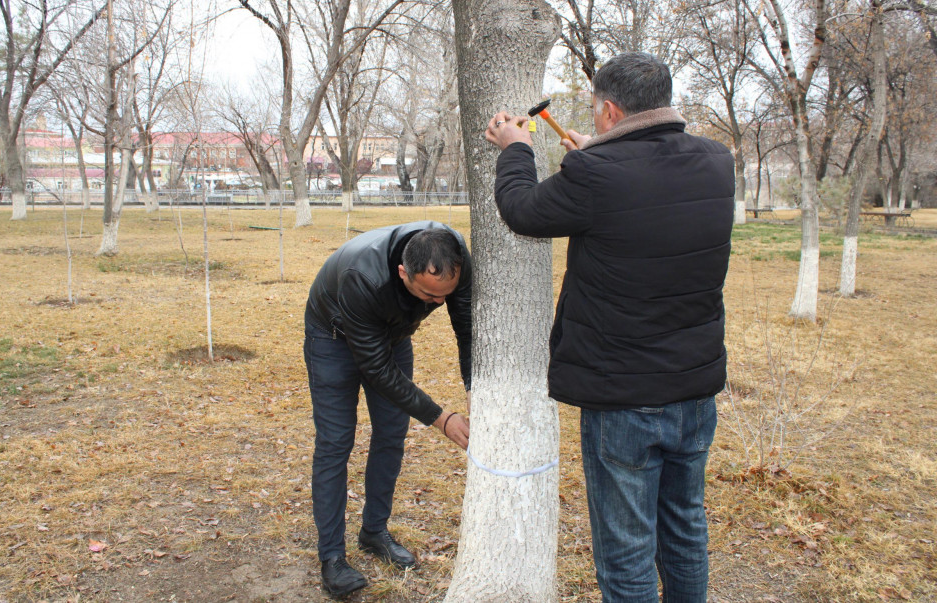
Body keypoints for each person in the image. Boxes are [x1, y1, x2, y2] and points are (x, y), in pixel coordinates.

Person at [485, 52, 734, 602]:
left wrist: (518, 149)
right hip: (693, 391)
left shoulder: (596, 175)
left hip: (623, 398)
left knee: (626, 555)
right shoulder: (717, 161)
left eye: (598, 111)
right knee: (685, 530)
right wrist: (597, 157)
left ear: (611, 112)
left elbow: (523, 211)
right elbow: (646, 199)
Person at [303, 221, 472, 599]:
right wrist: (441, 418)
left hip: (392, 336)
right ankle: (332, 556)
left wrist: (473, 386)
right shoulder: (362, 277)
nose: (437, 303)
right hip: (333, 338)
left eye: (445, 294)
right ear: (402, 273)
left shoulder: (453, 253)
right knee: (335, 443)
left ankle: (374, 532)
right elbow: (377, 370)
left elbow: (467, 327)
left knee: (392, 435)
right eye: (429, 295)